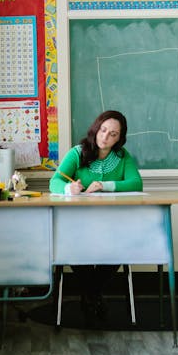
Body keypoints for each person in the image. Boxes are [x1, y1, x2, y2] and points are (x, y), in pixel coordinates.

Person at [49, 110, 143, 319]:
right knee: (72, 248)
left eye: (113, 134)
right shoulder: (77, 152)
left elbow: (136, 183)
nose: (106, 137)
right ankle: (94, 294)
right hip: (77, 224)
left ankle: (90, 293)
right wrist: (68, 189)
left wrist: (105, 185)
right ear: (96, 128)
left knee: (119, 248)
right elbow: (54, 181)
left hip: (112, 224)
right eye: (103, 130)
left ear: (120, 138)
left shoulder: (122, 157)